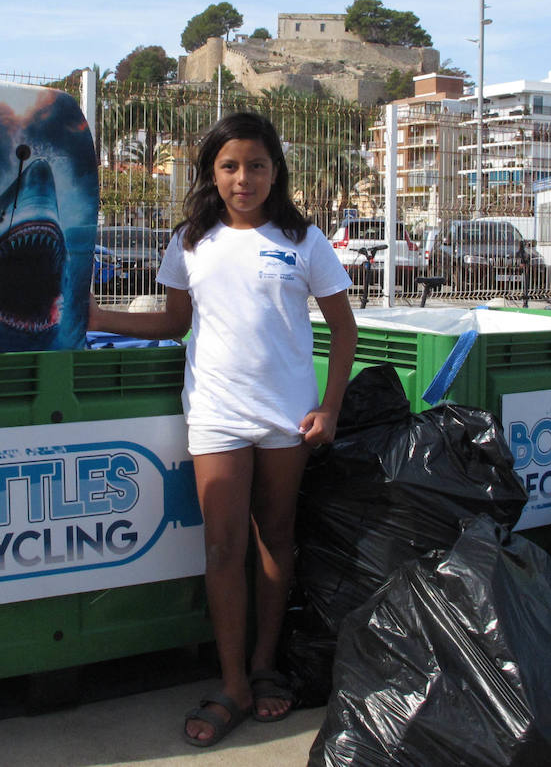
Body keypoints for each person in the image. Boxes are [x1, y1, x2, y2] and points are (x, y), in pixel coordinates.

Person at [89, 112, 357, 747]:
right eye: (230, 166)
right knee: (222, 547)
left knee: (276, 539)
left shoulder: (304, 240)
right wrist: (96, 315)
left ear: (275, 171)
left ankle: (264, 666)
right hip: (215, 414)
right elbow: (172, 324)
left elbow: (344, 329)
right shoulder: (190, 240)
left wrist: (330, 408)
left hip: (287, 416)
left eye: (256, 166)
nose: (244, 179)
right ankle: (233, 683)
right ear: (212, 173)